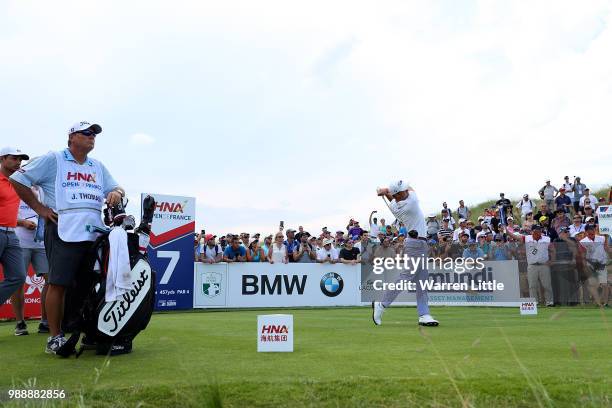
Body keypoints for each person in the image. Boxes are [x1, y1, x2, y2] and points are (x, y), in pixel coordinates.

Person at [10, 122, 125, 355]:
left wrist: (116, 192)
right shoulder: (54, 158)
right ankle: (54, 338)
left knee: (87, 284)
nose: (92, 137)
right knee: (58, 283)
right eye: (87, 133)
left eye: (94, 134)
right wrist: (40, 209)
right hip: (63, 229)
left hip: (93, 233)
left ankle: (84, 332)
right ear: (72, 137)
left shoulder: (97, 165)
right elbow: (17, 179)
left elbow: (117, 188)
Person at [371, 180, 439, 327]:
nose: (406, 191)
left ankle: (424, 314)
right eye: (403, 191)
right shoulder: (411, 202)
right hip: (415, 244)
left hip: (420, 243)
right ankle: (381, 305)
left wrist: (385, 191)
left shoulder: (395, 205)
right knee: (406, 277)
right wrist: (386, 190)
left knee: (422, 281)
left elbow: (394, 197)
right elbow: (411, 187)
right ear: (399, 194)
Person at [0, 147, 30, 337]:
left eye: (20, 159)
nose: (18, 162)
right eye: (14, 158)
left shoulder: (17, 181)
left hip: (12, 235)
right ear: (2, 159)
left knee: (18, 277)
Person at [14, 185, 50, 335]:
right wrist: (22, 223)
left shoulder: (43, 189)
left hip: (42, 243)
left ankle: (45, 321)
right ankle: (20, 322)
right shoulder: (15, 187)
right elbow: (5, 214)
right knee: (17, 282)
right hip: (19, 242)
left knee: (51, 281)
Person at [509, 225, 555, 306]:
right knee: (532, 285)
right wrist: (507, 231)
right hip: (532, 265)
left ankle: (549, 302)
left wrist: (552, 261)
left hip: (544, 265)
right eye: (536, 230)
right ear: (532, 231)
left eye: (539, 230)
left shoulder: (546, 239)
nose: (538, 232)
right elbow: (515, 237)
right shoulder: (527, 238)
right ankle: (534, 302)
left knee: (547, 285)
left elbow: (552, 250)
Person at [579, 224, 610, 307]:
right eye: (589, 232)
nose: (591, 233)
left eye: (592, 231)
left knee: (604, 284)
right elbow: (583, 255)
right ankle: (598, 303)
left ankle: (605, 303)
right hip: (591, 266)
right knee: (593, 285)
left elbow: (606, 248)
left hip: (601, 264)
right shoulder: (582, 242)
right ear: (586, 232)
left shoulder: (602, 238)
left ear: (594, 230)